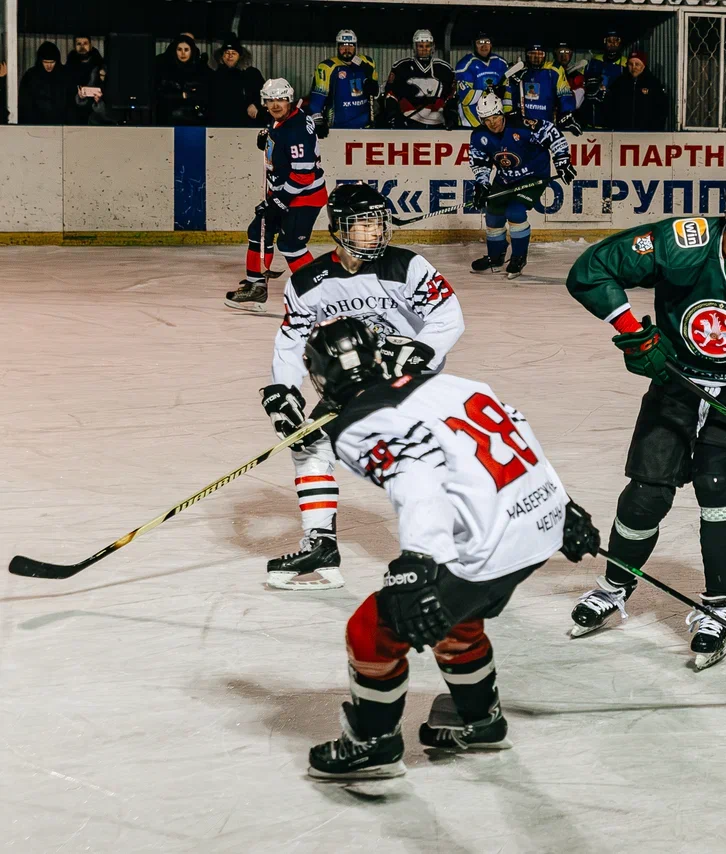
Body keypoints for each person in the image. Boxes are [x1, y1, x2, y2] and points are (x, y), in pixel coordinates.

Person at [302, 316, 600, 780]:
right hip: (538, 525)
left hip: (488, 547)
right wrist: (564, 507)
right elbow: (516, 426)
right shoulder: (455, 384)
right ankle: (477, 720)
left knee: (372, 630)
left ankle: (373, 744)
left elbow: (415, 472)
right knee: (455, 615)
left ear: (320, 376)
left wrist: (418, 562)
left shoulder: (356, 424)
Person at [563, 171, 726, 671]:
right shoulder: (681, 242)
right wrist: (635, 334)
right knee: (646, 491)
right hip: (676, 378)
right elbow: (591, 270)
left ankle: (718, 606)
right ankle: (614, 586)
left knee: (718, 484)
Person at [258, 183, 465, 591]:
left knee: (414, 459)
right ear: (338, 229)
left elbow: (448, 317)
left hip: (410, 380)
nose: (375, 232)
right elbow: (292, 339)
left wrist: (417, 352)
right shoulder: (308, 282)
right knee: (310, 444)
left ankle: (443, 552)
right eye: (363, 224)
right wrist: (283, 390)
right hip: (351, 381)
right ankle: (321, 545)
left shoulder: (407, 265)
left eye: (378, 222)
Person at [224, 79, 327, 312]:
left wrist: (278, 202)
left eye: (280, 99)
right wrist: (268, 139)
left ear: (289, 100)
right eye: (270, 100)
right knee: (259, 231)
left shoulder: (296, 130)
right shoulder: (282, 119)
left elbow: (304, 175)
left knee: (290, 244)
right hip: (285, 193)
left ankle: (321, 295)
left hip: (304, 197)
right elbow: (281, 144)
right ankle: (256, 286)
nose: (275, 104)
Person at [467, 92, 574, 280]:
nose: (492, 123)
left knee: (515, 212)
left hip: (533, 175)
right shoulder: (478, 136)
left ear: (501, 113)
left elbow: (551, 132)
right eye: (487, 120)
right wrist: (482, 184)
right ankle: (496, 257)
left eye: (495, 117)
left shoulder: (521, 125)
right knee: (493, 214)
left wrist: (562, 161)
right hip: (505, 178)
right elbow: (480, 163)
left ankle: (518, 258)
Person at [379, 29, 454, 130]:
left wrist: (450, 114)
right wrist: (393, 115)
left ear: (432, 47)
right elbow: (390, 94)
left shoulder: (444, 68)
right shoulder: (401, 67)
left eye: (427, 46)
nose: (424, 49)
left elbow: (452, 95)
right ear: (415, 47)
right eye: (420, 46)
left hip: (437, 122)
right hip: (409, 122)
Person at [310, 29, 377, 131]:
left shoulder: (367, 63)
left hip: (365, 127)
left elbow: (376, 95)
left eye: (351, 45)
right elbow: (316, 101)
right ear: (337, 46)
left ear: (356, 46)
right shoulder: (326, 67)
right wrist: (318, 121)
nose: (347, 49)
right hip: (338, 128)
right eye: (343, 46)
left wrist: (375, 89)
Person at [506, 41, 579, 135]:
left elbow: (565, 95)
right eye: (532, 54)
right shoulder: (519, 70)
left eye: (540, 54)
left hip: (546, 126)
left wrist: (567, 115)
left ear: (545, 55)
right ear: (526, 55)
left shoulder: (554, 70)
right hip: (522, 127)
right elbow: (508, 97)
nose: (536, 58)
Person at [207, 35, 265, 128]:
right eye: (227, 52)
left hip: (246, 126)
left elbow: (265, 94)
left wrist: (256, 105)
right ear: (222, 56)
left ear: (240, 56)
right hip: (219, 126)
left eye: (234, 53)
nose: (230, 56)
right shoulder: (213, 76)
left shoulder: (252, 74)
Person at [454, 32, 508, 128]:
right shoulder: (465, 65)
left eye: (487, 42)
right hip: (471, 121)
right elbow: (465, 97)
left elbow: (508, 94)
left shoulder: (501, 63)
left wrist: (507, 116)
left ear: (491, 44)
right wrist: (488, 92)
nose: (484, 46)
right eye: (480, 42)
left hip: (495, 123)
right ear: (474, 45)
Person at [604, 49, 667, 131]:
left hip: (646, 133)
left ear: (643, 66)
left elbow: (661, 109)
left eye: (637, 64)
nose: (634, 67)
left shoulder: (653, 83)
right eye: (631, 64)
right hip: (621, 132)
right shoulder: (619, 82)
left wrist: (655, 129)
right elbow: (609, 106)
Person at [155, 35, 209, 126]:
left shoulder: (201, 70)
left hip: (196, 120)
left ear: (192, 51)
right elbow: (159, 95)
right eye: (179, 49)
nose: (183, 53)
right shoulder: (165, 70)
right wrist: (182, 95)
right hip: (168, 119)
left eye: (186, 50)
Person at [581, 30, 627, 129]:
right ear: (604, 42)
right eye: (609, 41)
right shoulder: (594, 61)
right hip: (595, 113)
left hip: (615, 113)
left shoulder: (626, 63)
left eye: (616, 40)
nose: (612, 43)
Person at [18, 42, 70, 125]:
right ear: (40, 61)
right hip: (36, 124)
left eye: (52, 62)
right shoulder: (30, 76)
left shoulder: (65, 75)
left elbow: (69, 103)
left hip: (61, 124)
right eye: (45, 62)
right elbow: (25, 104)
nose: (49, 66)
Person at [65, 35, 105, 125]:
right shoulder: (69, 68)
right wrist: (79, 98)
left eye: (85, 43)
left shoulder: (101, 66)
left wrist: (99, 101)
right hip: (74, 120)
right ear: (75, 47)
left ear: (90, 45)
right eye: (79, 44)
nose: (82, 47)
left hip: (97, 119)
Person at [553, 42, 586, 112]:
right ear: (555, 53)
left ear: (571, 54)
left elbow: (577, 104)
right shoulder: (547, 72)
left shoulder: (576, 76)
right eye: (561, 52)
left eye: (567, 52)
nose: (564, 56)